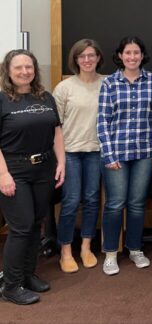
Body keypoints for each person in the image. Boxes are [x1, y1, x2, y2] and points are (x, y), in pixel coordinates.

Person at [0, 49, 65, 305]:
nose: (25, 71)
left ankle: (27, 275)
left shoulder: (45, 97)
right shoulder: (2, 99)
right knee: (21, 227)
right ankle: (11, 285)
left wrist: (62, 162)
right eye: (18, 67)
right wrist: (3, 174)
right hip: (14, 170)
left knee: (37, 223)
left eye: (29, 67)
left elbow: (57, 132)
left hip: (44, 167)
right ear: (8, 70)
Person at [97, 36, 152, 276]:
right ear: (120, 56)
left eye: (136, 53)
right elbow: (102, 121)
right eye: (128, 53)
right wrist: (108, 153)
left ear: (142, 55)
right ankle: (111, 253)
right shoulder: (110, 84)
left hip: (146, 153)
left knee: (136, 204)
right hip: (117, 154)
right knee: (115, 204)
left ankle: (135, 249)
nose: (132, 57)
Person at [53, 39, 105, 273]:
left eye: (91, 55)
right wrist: (60, 158)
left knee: (93, 200)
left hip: (96, 151)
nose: (87, 60)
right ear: (75, 60)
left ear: (98, 58)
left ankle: (85, 246)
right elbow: (56, 126)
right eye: (82, 56)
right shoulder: (65, 87)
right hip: (71, 153)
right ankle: (65, 251)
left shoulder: (107, 84)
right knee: (71, 201)